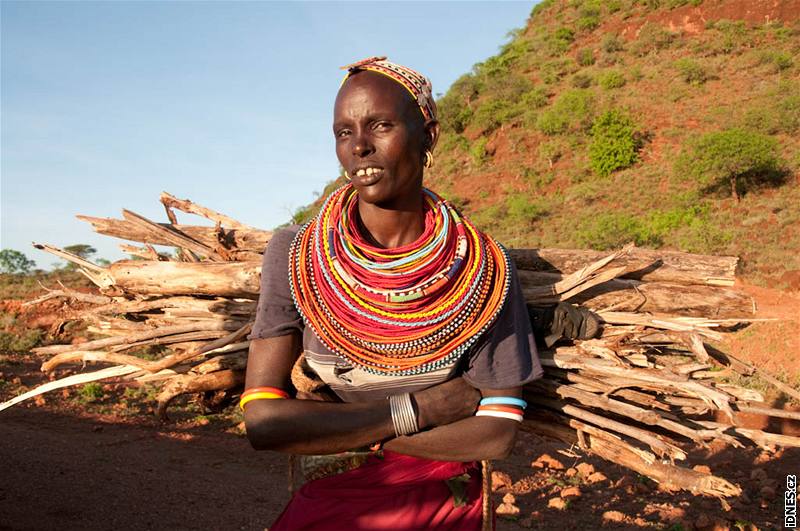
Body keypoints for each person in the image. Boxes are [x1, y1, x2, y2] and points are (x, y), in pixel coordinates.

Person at [243, 56, 544, 531]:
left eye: (380, 125)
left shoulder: (482, 270)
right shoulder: (294, 254)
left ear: (428, 135)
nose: (359, 146)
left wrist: (346, 427)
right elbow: (264, 423)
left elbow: (496, 433)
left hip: (443, 501)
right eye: (344, 132)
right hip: (330, 494)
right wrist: (421, 410)